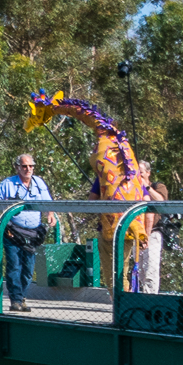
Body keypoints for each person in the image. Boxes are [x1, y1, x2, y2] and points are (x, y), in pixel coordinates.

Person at [27, 90, 148, 290]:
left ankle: (121, 313)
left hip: (114, 225)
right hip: (132, 223)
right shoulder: (127, 158)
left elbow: (92, 201)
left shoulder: (109, 149)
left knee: (114, 274)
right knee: (123, 270)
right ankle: (123, 309)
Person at [0, 152, 54, 311]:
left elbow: (49, 204)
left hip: (33, 234)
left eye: (31, 166)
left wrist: (50, 214)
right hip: (13, 232)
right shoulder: (7, 184)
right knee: (14, 266)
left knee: (28, 269)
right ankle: (15, 300)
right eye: (24, 166)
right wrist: (0, 225)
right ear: (17, 167)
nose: (28, 169)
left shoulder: (39, 183)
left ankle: (23, 297)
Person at [138, 161, 169, 294]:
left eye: (141, 172)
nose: (138, 175)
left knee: (151, 268)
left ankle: (150, 297)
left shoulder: (158, 186)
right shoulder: (133, 188)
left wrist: (147, 187)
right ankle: (139, 294)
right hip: (137, 233)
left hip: (154, 234)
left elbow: (161, 200)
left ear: (148, 173)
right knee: (139, 270)